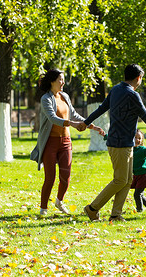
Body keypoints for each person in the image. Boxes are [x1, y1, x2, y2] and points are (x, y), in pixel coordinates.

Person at [80, 64, 146, 222]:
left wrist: (86, 122)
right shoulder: (132, 94)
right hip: (120, 144)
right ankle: (92, 208)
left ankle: (116, 214)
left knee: (127, 180)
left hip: (122, 143)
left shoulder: (115, 89)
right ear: (138, 78)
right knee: (120, 180)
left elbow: (100, 109)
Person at [30, 69, 104, 216]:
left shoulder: (64, 96)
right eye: (60, 80)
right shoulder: (46, 98)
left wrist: (91, 125)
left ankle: (59, 201)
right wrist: (71, 124)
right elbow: (52, 118)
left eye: (63, 80)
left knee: (66, 176)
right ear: (52, 81)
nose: (63, 82)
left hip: (65, 142)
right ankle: (43, 209)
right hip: (50, 142)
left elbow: (74, 114)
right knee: (50, 178)